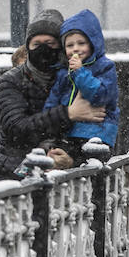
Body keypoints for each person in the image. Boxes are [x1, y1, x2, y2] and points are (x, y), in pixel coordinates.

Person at [0, 8, 107, 179]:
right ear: (28, 47)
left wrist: (71, 158)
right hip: (14, 177)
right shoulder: (12, 80)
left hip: (66, 181)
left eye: (50, 44)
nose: (43, 50)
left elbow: (96, 138)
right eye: (36, 44)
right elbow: (16, 128)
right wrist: (68, 114)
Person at [42, 9, 120, 151]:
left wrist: (80, 72)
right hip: (69, 132)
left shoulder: (104, 67)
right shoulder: (63, 72)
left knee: (89, 164)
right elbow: (53, 100)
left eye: (81, 43)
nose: (75, 49)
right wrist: (52, 119)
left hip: (97, 132)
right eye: (70, 45)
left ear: (92, 44)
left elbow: (100, 96)